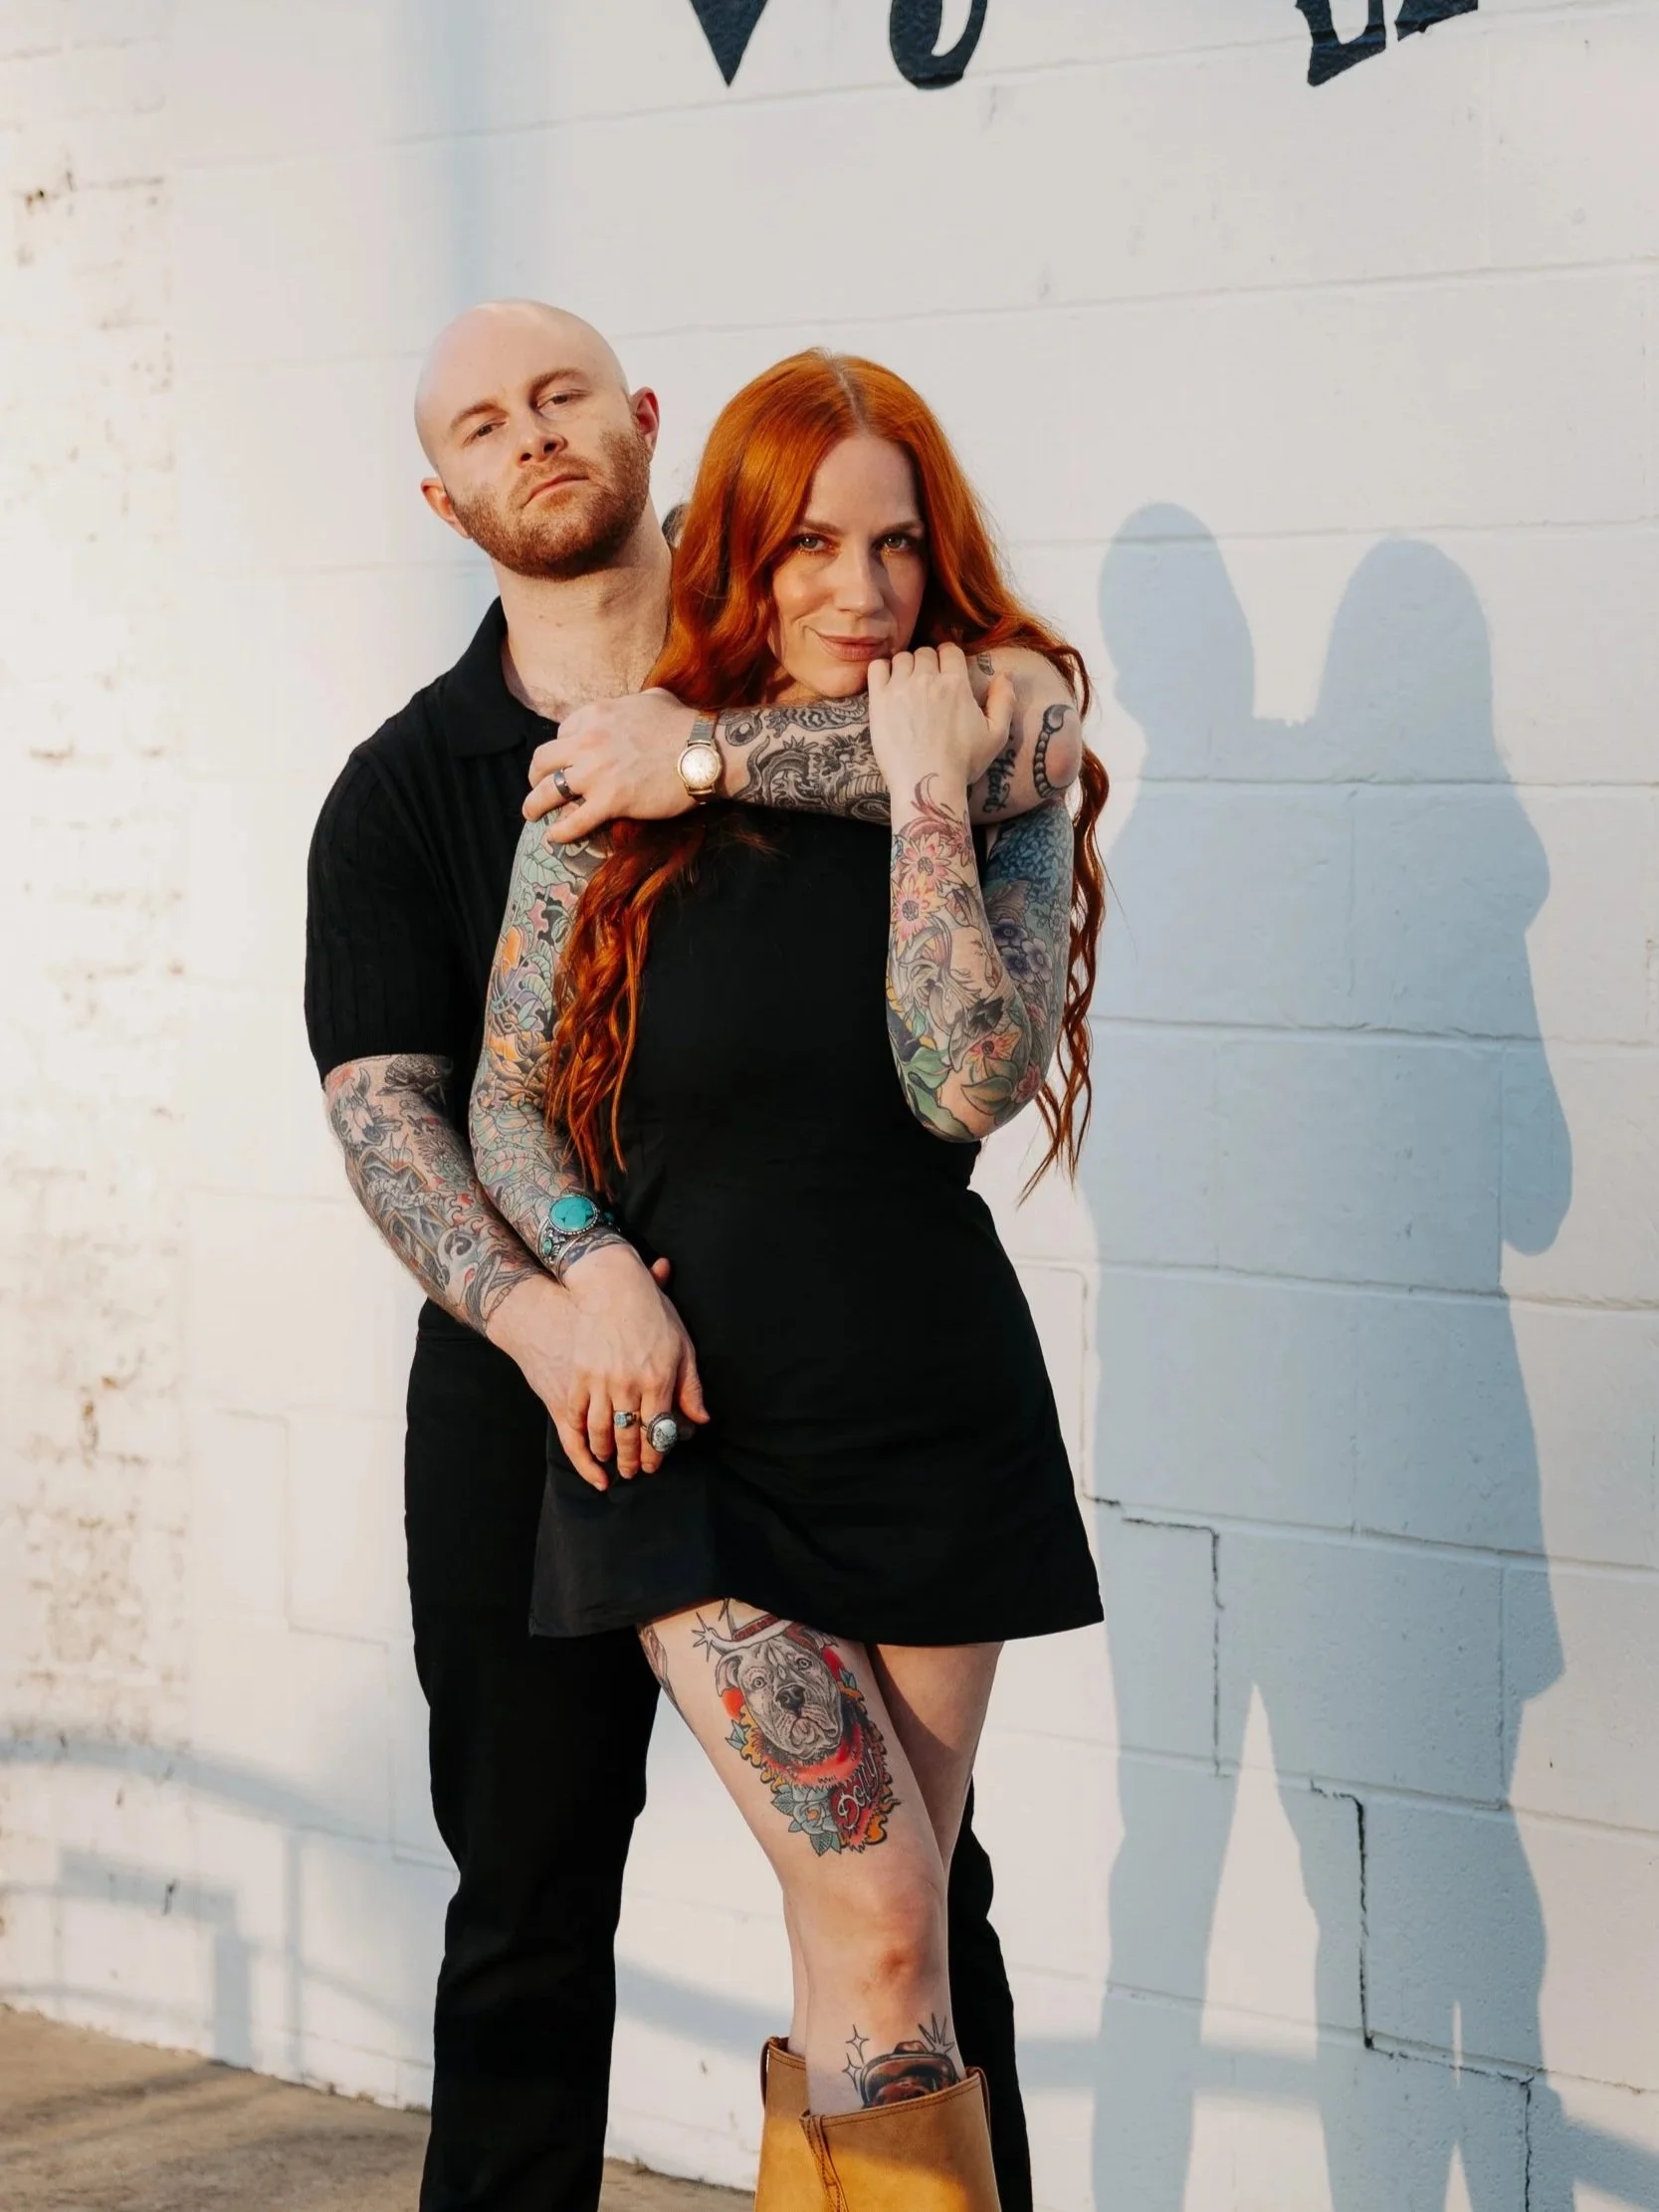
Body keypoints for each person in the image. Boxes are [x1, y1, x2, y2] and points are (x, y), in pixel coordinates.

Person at [304, 302, 1065, 2212]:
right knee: (536, 1901)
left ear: (648, 430)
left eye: (563, 394)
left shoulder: (860, 708)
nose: (533, 436)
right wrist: (564, 1287)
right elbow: (415, 1115)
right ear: (441, 491)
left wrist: (728, 758)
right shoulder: (431, 788)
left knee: (906, 1917)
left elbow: (1005, 760)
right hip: (570, 1402)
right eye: (482, 422)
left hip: (883, 1378)